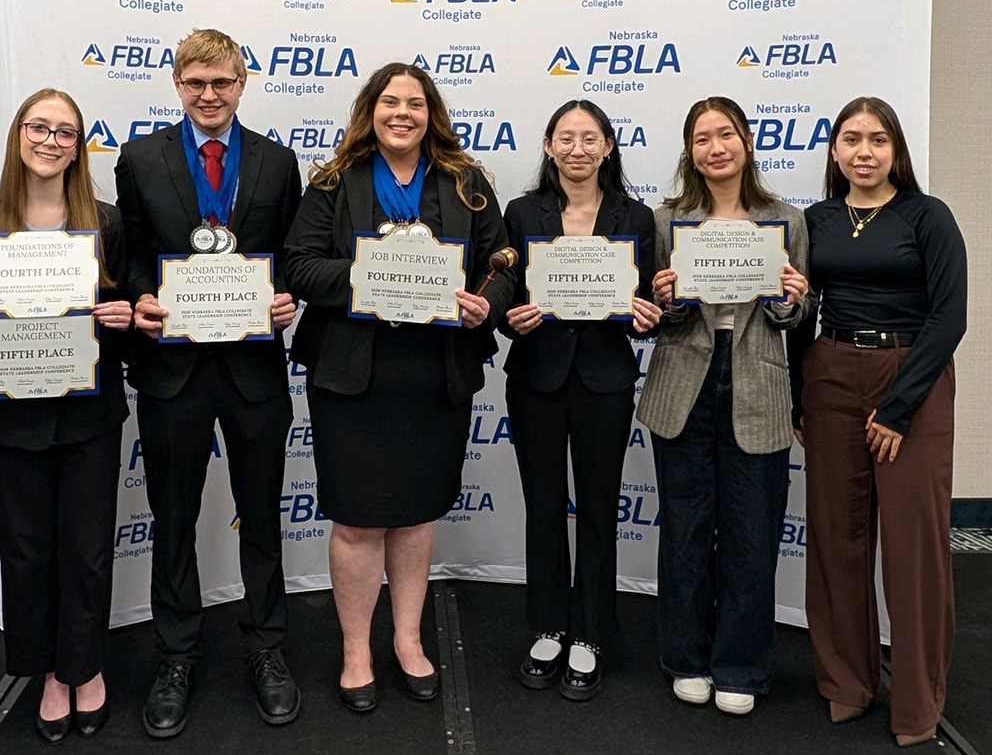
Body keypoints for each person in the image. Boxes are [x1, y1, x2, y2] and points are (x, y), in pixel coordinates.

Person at [283, 62, 515, 713]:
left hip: (433, 374)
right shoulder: (332, 182)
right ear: (371, 110)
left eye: (415, 103)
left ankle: (409, 641)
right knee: (357, 521)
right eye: (390, 102)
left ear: (431, 112)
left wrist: (486, 305)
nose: (402, 113)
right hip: (353, 375)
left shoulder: (467, 184)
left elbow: (504, 264)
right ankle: (358, 650)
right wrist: (374, 275)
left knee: (415, 515)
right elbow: (299, 266)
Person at [114, 28, 302, 736]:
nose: (209, 95)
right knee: (173, 518)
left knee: (262, 516)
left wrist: (285, 296)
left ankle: (266, 647)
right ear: (176, 85)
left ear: (242, 83)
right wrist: (140, 299)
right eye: (195, 82)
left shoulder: (279, 163)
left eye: (221, 81)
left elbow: (293, 255)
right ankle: (176, 653)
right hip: (172, 370)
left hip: (253, 369)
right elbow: (130, 254)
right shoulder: (138, 159)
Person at [0, 88, 132, 743]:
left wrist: (124, 316)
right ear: (20, 136)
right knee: (24, 552)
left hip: (89, 415)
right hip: (15, 416)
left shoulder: (106, 221)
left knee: (86, 549)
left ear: (80, 147)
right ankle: (47, 670)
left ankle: (86, 667)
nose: (50, 140)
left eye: (65, 132)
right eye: (38, 127)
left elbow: (127, 320)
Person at [788, 97, 967, 747]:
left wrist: (896, 409)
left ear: (896, 150)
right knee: (837, 537)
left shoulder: (928, 216)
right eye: (851, 139)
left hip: (909, 378)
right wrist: (795, 399)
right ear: (834, 150)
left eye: (878, 139)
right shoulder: (816, 219)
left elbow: (950, 318)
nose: (864, 151)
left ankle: (917, 703)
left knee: (913, 546)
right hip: (830, 370)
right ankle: (847, 683)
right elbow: (800, 310)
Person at [636, 96, 811, 716]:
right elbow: (653, 320)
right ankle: (686, 657)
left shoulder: (786, 220)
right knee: (685, 529)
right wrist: (668, 299)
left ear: (746, 142)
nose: (716, 147)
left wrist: (792, 299)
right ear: (690, 152)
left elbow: (798, 318)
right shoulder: (665, 222)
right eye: (703, 138)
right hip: (685, 383)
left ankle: (741, 664)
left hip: (758, 383)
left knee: (751, 531)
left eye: (726, 135)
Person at [499, 100, 661, 700]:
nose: (577, 149)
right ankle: (546, 626)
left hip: (604, 380)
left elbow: (644, 303)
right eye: (565, 138)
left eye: (589, 138)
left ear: (608, 147)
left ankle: (590, 633)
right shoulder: (521, 213)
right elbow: (504, 295)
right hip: (536, 376)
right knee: (542, 502)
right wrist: (509, 320)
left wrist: (647, 317)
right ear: (547, 146)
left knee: (598, 505)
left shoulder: (635, 217)